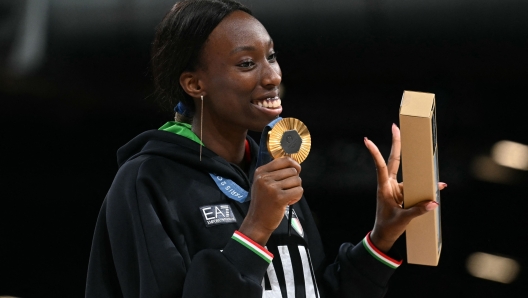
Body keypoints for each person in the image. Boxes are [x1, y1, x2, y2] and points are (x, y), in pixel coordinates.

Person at [85, 0, 445, 297]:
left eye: (271, 57)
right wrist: (255, 228)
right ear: (195, 84)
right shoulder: (147, 180)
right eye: (246, 63)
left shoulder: (270, 170)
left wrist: (381, 238)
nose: (272, 76)